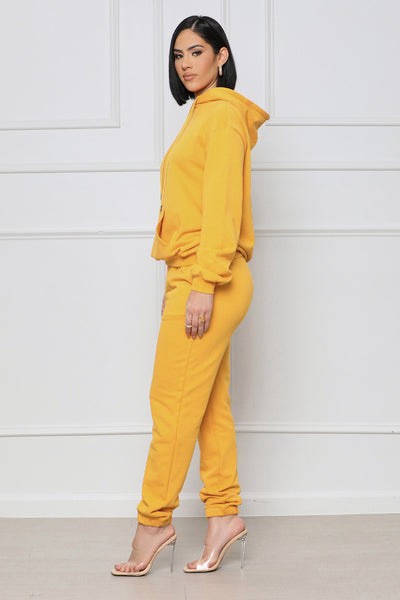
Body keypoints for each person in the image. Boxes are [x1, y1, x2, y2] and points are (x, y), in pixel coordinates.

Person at [112, 14, 269, 577]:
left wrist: (202, 283)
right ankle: (224, 514)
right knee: (205, 406)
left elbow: (221, 207)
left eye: (197, 51)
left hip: (212, 275)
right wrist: (177, 283)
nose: (186, 63)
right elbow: (188, 209)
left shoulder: (222, 114)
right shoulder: (202, 114)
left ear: (221, 57)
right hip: (195, 274)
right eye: (178, 55)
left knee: (171, 405)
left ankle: (153, 522)